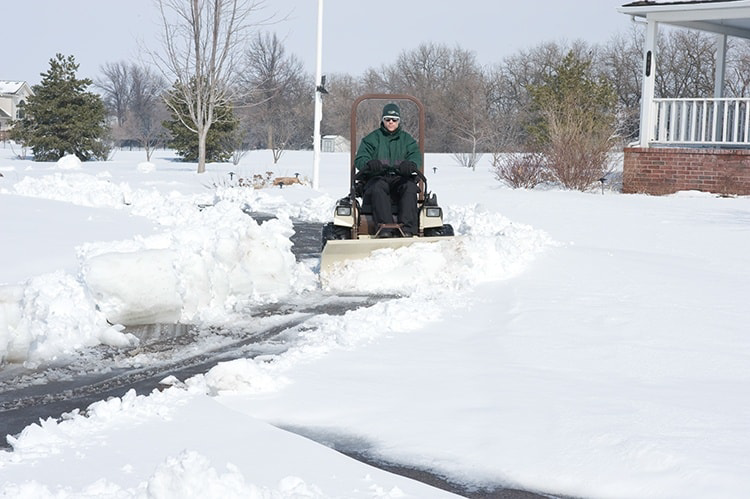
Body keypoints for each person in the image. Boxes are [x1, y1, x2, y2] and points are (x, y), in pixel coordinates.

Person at [354, 103, 421, 237]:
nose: (391, 122)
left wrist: (410, 165)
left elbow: (416, 158)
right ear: (383, 120)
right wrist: (369, 164)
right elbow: (360, 159)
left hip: (400, 177)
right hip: (377, 177)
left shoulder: (407, 140)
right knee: (378, 187)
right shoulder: (371, 139)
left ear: (399, 121)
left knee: (409, 187)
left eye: (394, 119)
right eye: (387, 119)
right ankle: (385, 229)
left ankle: (407, 229)